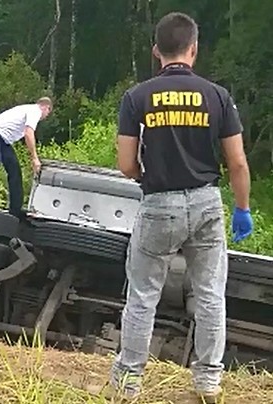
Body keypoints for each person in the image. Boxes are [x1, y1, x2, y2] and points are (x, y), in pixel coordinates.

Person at [108, 12, 252, 403]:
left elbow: (125, 165)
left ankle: (127, 385)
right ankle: (207, 384)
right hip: (206, 202)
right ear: (194, 49)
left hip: (159, 204)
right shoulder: (218, 96)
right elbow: (237, 162)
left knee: (142, 296)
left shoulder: (137, 97)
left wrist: (145, 176)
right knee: (209, 295)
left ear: (157, 51)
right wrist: (242, 208)